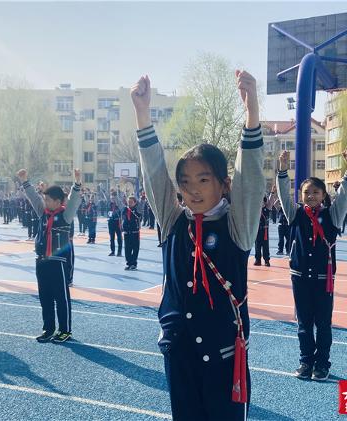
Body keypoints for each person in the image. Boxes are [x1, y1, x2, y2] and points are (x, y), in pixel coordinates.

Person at [133, 71, 263, 419]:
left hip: (224, 357)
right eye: (186, 181)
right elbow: (154, 172)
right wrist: (142, 115)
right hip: (181, 353)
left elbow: (251, 181)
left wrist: (252, 117)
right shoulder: (173, 221)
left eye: (204, 179)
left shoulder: (237, 225)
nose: (193, 189)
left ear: (223, 184)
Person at [276, 147, 347, 382]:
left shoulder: (333, 215)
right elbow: (282, 195)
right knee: (303, 324)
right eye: (306, 192)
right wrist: (282, 170)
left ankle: (322, 363)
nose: (310, 196)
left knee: (323, 324)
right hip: (299, 276)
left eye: (315, 192)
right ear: (300, 195)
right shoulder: (296, 214)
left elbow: (345, 195)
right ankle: (305, 360)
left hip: (323, 279)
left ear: (323, 195)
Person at [19, 168, 82, 343]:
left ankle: (65, 330)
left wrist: (77, 183)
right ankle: (48, 329)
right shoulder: (43, 214)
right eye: (44, 199)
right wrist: (25, 180)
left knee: (61, 298)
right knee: (45, 297)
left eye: (47, 199)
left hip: (58, 263)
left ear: (57, 201)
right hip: (42, 261)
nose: (44, 201)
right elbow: (33, 197)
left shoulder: (65, 215)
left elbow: (74, 201)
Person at [122, 196, 143, 270]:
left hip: (135, 232)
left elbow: (140, 216)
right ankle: (128, 263)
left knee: (135, 248)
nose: (129, 203)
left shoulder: (137, 209)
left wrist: (134, 211)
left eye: (131, 202)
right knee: (127, 249)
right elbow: (123, 217)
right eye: (128, 202)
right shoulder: (125, 209)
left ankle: (134, 264)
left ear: (135, 203)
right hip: (127, 232)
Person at [107, 190, 123, 257]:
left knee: (119, 237)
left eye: (113, 198)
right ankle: (112, 251)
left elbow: (122, 207)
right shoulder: (109, 204)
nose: (112, 199)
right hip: (111, 222)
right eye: (111, 198)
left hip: (117, 222)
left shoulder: (119, 205)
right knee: (111, 238)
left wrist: (117, 201)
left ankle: (119, 252)